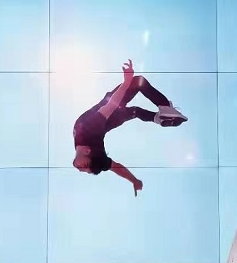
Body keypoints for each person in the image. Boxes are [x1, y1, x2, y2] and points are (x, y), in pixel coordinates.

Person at [72, 59, 187, 196]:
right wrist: (134, 180)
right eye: (86, 170)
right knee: (138, 82)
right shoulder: (95, 150)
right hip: (110, 111)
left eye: (84, 167)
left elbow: (110, 107)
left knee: (135, 110)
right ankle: (165, 109)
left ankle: (157, 118)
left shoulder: (89, 132)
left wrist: (126, 82)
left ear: (87, 150)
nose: (80, 170)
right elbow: (116, 167)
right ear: (87, 151)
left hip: (110, 113)